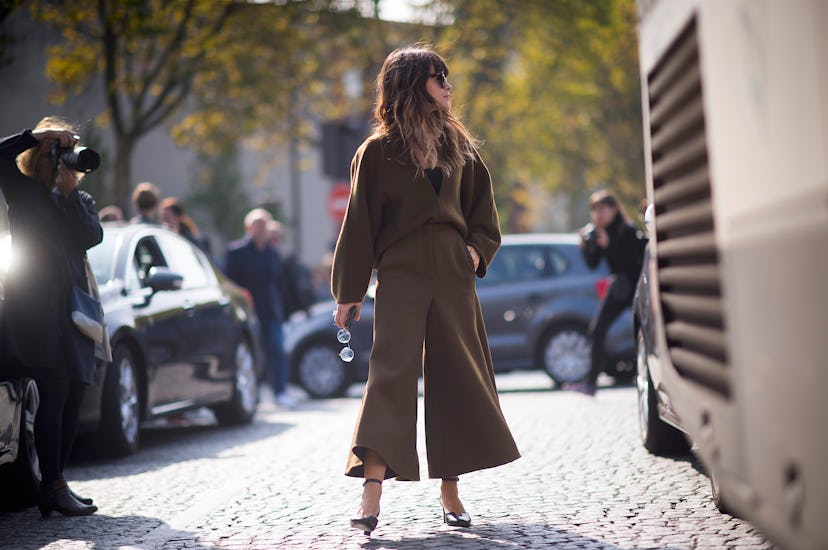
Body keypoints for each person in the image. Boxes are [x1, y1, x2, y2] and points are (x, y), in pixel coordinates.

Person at [331, 45, 520, 536]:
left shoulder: (461, 147)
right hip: (401, 274)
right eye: (439, 77)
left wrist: (475, 253)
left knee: (456, 376)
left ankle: (450, 490)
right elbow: (359, 225)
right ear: (413, 83)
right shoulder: (377, 152)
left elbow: (485, 216)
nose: (448, 85)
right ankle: (371, 489)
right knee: (390, 376)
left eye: (447, 77)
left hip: (455, 275)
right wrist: (348, 292)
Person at [0, 117, 102, 516]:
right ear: (39, 155)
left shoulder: (78, 198)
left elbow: (91, 237)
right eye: (56, 151)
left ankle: (56, 484)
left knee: (75, 392)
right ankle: (53, 489)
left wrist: (70, 194)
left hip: (73, 310)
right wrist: (33, 136)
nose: (63, 159)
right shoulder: (22, 192)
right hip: (36, 308)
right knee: (55, 391)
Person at [567, 189, 647, 396]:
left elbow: (630, 262)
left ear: (613, 210)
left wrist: (609, 246)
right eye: (594, 211)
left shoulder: (628, 231)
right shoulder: (598, 233)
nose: (598, 215)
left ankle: (644, 374)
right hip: (619, 288)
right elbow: (593, 264)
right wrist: (586, 247)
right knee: (598, 330)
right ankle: (590, 383)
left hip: (637, 286)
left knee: (644, 330)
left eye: (602, 210)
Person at [224, 208, 296, 409]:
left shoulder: (272, 253)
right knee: (252, 354)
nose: (262, 230)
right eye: (258, 226)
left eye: (265, 225)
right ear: (249, 228)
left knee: (277, 350)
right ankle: (252, 394)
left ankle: (280, 392)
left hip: (272, 311)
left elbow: (281, 284)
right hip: (249, 312)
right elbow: (231, 282)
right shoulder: (236, 252)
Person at [266, 219, 315, 317]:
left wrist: (304, 307)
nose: (274, 243)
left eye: (276, 239)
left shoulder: (285, 262)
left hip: (283, 311)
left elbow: (293, 286)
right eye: (271, 239)